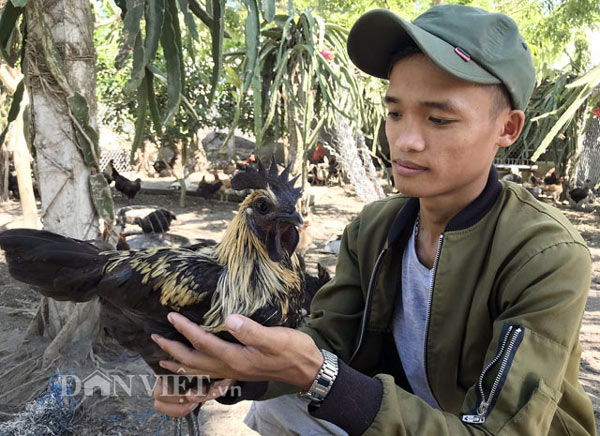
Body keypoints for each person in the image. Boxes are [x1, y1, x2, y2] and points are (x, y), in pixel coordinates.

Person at [152, 5, 596, 435]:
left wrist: (321, 375)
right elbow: (327, 342)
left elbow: (501, 430)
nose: (405, 141)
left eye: (438, 118)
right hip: (402, 417)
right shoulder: (374, 229)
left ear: (508, 129)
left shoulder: (546, 256)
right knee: (281, 402)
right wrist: (212, 379)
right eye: (395, 112)